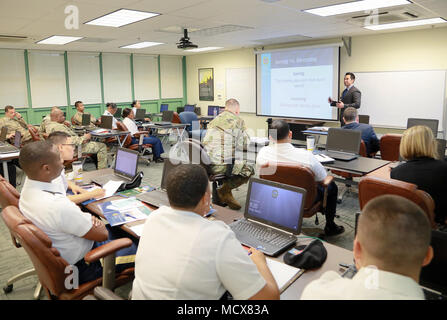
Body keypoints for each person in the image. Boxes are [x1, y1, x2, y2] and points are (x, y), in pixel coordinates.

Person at [132, 164, 280, 300]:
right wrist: (260, 262)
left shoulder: (154, 218)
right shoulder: (218, 237)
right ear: (205, 198)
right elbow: (270, 298)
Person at [18, 141, 138, 285]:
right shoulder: (57, 205)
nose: (63, 164)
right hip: (86, 265)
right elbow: (102, 235)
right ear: (47, 168)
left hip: (68, 252)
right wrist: (92, 219)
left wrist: (90, 219)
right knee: (145, 247)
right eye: (59, 159)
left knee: (121, 229)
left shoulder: (27, 190)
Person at [301, 195, 433, 300]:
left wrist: (330, 278)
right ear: (428, 256)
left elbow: (327, 280)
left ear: (357, 249)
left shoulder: (315, 292)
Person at [256, 120, 344, 236]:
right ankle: (330, 226)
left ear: (270, 137)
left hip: (275, 197)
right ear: (290, 134)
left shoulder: (263, 153)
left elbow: (260, 176)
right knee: (331, 185)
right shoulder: (305, 156)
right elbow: (323, 178)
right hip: (304, 201)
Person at [202, 98, 254, 210]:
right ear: (237, 110)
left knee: (231, 158)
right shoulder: (238, 121)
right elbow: (245, 144)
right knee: (249, 167)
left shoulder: (213, 120)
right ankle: (226, 189)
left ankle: (223, 192)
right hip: (222, 166)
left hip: (205, 163)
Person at [391, 125, 447, 226]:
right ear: (432, 144)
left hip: (408, 223)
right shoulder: (444, 168)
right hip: (437, 224)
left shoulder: (395, 172)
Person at [47, 131, 105, 203]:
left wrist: (73, 186)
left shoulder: (54, 163)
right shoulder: (51, 171)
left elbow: (62, 179)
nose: (73, 148)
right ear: (60, 147)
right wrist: (92, 194)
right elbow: (61, 201)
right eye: (72, 145)